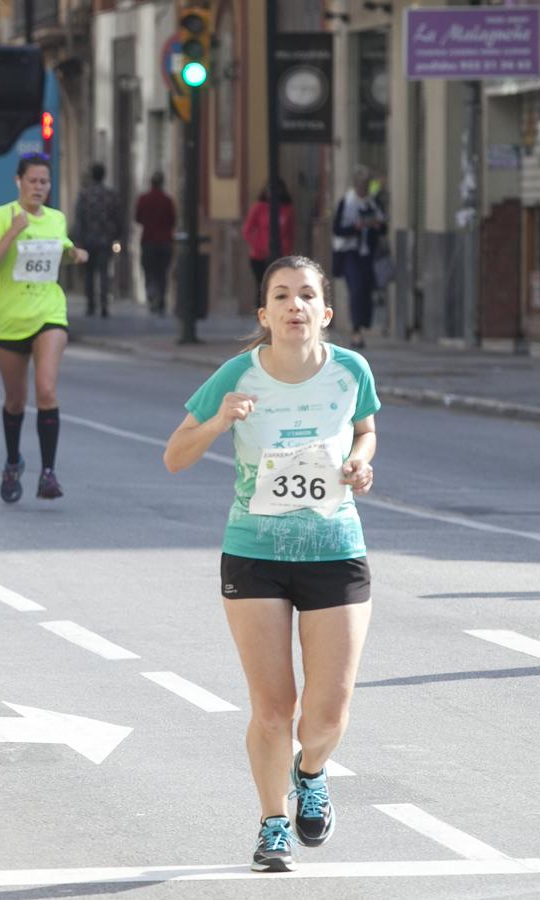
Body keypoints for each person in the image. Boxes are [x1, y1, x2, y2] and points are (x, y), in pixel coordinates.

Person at [162, 255, 378, 873]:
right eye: (281, 296)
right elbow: (175, 455)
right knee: (273, 706)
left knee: (328, 713)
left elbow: (365, 430)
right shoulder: (237, 375)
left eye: (306, 295)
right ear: (264, 314)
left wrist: (362, 461)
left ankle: (311, 770)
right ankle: (273, 821)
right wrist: (221, 419)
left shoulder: (350, 371)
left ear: (325, 312)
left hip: (335, 549)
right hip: (255, 553)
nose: (294, 306)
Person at [0, 153, 87, 503]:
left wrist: (74, 254)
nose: (39, 187)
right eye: (33, 181)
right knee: (15, 400)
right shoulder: (0, 216)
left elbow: (61, 249)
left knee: (46, 389)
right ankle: (12, 462)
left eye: (45, 182)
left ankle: (48, 473)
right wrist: (13, 231)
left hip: (48, 312)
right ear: (18, 181)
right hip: (9, 319)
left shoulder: (56, 218)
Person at [332, 166, 386, 349]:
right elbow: (337, 229)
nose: (363, 187)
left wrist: (376, 225)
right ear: (355, 184)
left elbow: (383, 227)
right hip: (350, 253)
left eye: (366, 184)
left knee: (366, 290)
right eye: (361, 184)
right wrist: (356, 227)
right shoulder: (346, 203)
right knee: (356, 289)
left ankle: (363, 324)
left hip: (368, 255)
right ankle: (356, 331)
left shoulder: (372, 204)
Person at [73, 162, 123, 318]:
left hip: (88, 241)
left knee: (89, 273)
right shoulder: (111, 194)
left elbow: (79, 218)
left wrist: (78, 240)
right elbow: (118, 218)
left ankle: (90, 305)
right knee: (104, 272)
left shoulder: (84, 194)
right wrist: (117, 237)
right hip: (105, 240)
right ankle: (104, 304)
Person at [242, 178, 295, 297]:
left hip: (280, 256)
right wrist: (259, 246)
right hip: (259, 257)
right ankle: (262, 313)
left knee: (278, 288)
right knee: (263, 288)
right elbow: (247, 231)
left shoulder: (287, 209)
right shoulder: (259, 207)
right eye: (270, 190)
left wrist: (285, 251)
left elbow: (290, 234)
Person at [133, 172, 177, 316]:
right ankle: (162, 300)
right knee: (162, 273)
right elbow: (173, 220)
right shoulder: (167, 200)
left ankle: (152, 297)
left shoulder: (144, 199)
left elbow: (138, 218)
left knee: (149, 271)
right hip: (165, 242)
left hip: (148, 240)